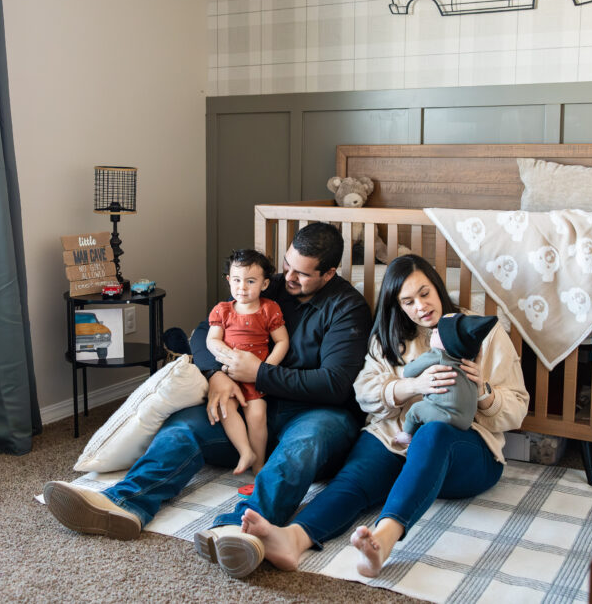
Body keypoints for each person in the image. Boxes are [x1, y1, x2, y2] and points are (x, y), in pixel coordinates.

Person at [42, 222, 373, 579]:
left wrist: (259, 373)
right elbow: (202, 333)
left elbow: (336, 384)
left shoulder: (347, 307)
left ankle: (242, 530)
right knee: (185, 425)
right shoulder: (268, 284)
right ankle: (125, 503)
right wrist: (215, 374)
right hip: (249, 404)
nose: (288, 277)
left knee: (303, 444)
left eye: (302, 273)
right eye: (287, 265)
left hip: (317, 413)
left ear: (329, 273)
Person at [239, 254, 528, 579]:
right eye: (408, 301)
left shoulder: (478, 330)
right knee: (354, 479)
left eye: (424, 293)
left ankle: (384, 538)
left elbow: (517, 408)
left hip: (465, 452)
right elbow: (366, 393)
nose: (420, 306)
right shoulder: (389, 336)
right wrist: (411, 385)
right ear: (397, 305)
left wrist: (484, 393)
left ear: (437, 287)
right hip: (395, 437)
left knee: (433, 432)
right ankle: (293, 538)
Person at [206, 248, 289, 475]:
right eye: (237, 280)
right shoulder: (223, 310)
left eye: (250, 281)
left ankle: (258, 463)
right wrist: (226, 357)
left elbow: (282, 341)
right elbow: (212, 339)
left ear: (264, 284)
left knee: (257, 415)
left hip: (256, 377)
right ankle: (245, 452)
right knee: (225, 408)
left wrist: (265, 369)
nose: (242, 287)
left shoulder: (268, 309)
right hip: (230, 374)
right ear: (228, 280)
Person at [393, 312, 498, 446]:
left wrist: (405, 372)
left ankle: (407, 434)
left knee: (415, 410)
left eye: (437, 332)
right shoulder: (468, 361)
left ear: (447, 343)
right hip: (466, 421)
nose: (434, 331)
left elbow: (409, 371)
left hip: (444, 415)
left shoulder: (438, 354)